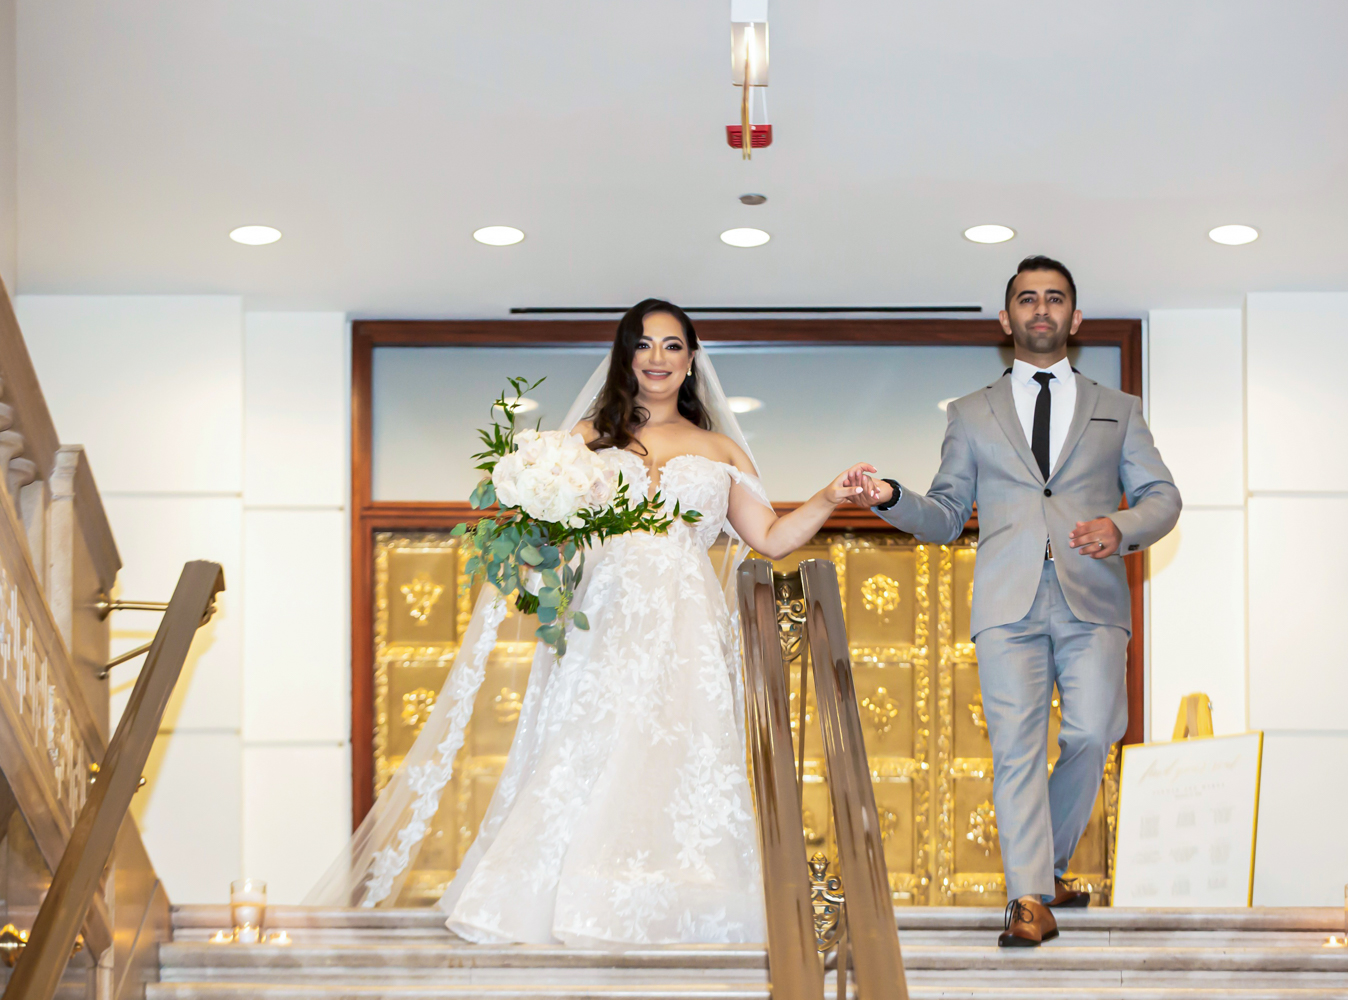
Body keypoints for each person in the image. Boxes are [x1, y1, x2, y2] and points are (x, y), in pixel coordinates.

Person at [306, 298, 872, 947]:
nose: (657, 358)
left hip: (686, 625)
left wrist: (829, 497)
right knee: (590, 746)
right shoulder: (582, 442)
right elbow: (549, 538)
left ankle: (669, 907)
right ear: (625, 356)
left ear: (691, 360)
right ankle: (561, 901)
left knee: (676, 755)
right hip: (605, 617)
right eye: (643, 344)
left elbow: (770, 538)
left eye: (672, 346)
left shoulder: (721, 450)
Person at [846, 256, 1180, 946]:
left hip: (1093, 598)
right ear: (1006, 319)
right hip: (1007, 605)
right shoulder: (970, 414)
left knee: (1094, 733)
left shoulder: (1119, 410)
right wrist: (891, 497)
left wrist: (1120, 527)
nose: (1040, 309)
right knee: (1016, 751)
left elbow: (1162, 497)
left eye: (1054, 298)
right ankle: (1029, 897)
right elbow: (946, 515)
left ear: (1074, 318)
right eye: (1027, 299)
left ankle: (1046, 868)